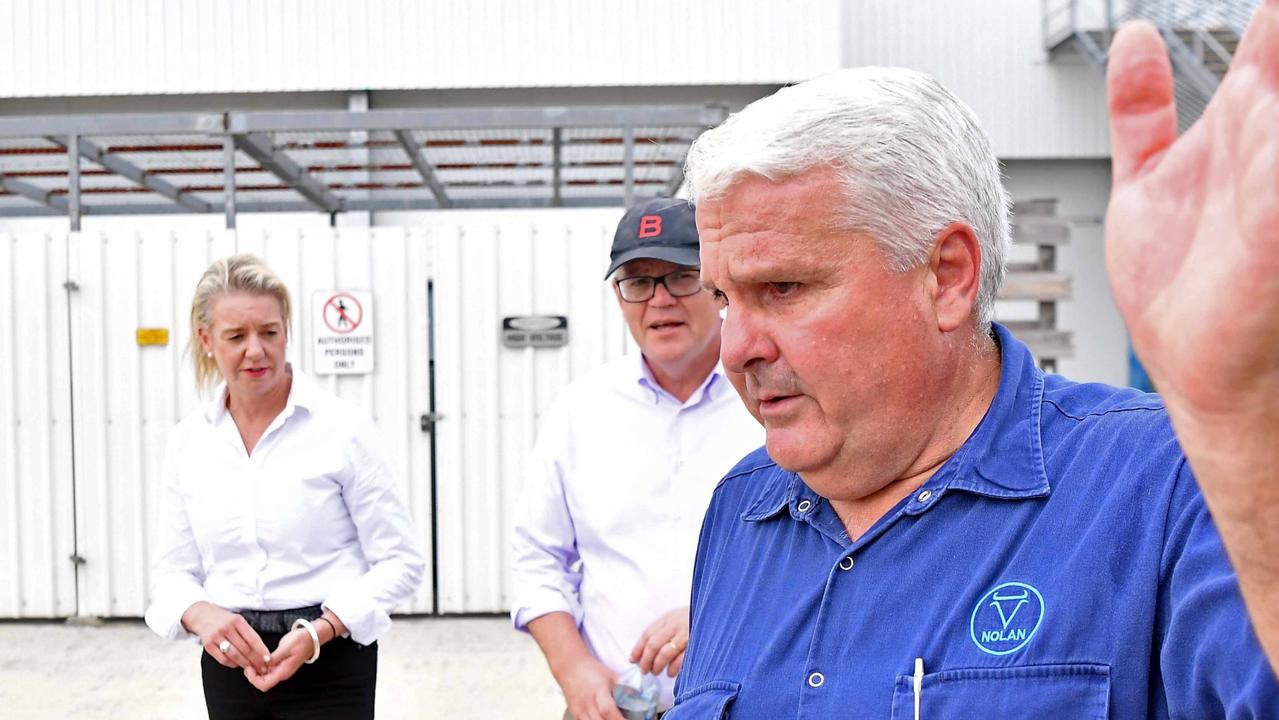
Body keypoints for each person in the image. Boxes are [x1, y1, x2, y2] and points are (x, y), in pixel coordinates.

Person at [665, 11, 1279, 719]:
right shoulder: (740, 507)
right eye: (721, 298)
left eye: (782, 289)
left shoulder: (1165, 480)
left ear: (946, 277)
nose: (736, 347)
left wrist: (1240, 424)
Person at [510, 198, 764, 719]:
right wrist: (574, 671)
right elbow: (537, 560)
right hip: (617, 709)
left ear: (718, 285)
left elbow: (824, 553)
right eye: (639, 282)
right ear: (618, 295)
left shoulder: (771, 403)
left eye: (680, 276)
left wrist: (717, 616)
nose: (659, 300)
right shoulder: (579, 412)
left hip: (750, 698)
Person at [145, 254, 425, 720]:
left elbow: (401, 561)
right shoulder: (189, 443)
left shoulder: (343, 430)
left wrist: (322, 630)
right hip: (230, 666)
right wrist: (200, 613)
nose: (256, 350)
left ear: (286, 332)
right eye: (236, 336)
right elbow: (172, 573)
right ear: (206, 340)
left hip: (331, 663)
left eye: (269, 333)